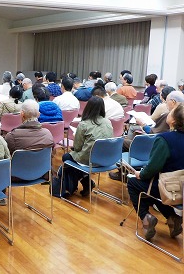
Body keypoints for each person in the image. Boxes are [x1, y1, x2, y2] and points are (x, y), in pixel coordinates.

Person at [127, 103, 184, 241]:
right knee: (153, 188)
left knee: (134, 183)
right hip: (180, 188)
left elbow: (153, 168)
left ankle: (146, 218)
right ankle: (172, 218)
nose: (168, 112)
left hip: (170, 187)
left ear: (174, 120)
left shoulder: (165, 139)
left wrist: (141, 174)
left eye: (171, 111)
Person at [58, 96, 113, 197]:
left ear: (88, 108)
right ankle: (85, 183)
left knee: (66, 158)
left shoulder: (83, 124)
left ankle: (78, 185)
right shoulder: (108, 122)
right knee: (73, 160)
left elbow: (77, 148)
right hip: (106, 159)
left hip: (90, 160)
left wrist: (77, 137)